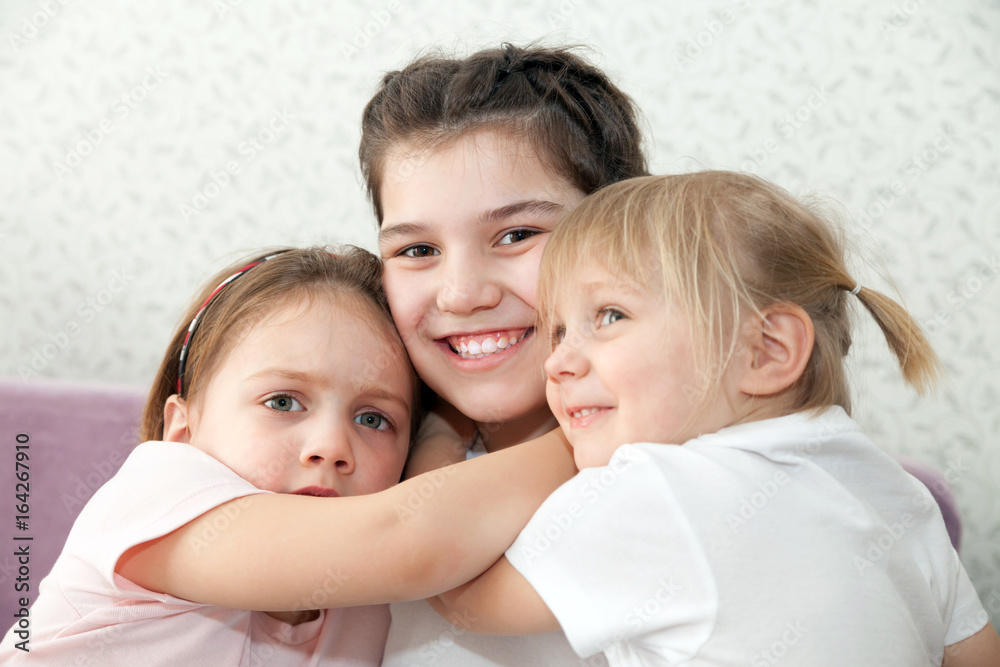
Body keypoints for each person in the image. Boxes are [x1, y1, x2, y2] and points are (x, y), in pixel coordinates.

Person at [428, 172, 1000, 665]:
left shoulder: (654, 488)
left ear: (766, 351)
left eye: (609, 315)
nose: (556, 362)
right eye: (558, 330)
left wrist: (436, 430)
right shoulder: (901, 493)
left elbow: (459, 593)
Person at [0, 246, 577, 665]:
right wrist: (589, 432)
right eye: (282, 401)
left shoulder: (365, 603)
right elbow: (411, 538)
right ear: (181, 427)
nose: (331, 447)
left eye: (374, 419)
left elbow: (427, 524)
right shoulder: (154, 496)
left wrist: (442, 433)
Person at [360, 41, 647, 665]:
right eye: (416, 250)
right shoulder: (351, 461)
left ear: (628, 231)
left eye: (517, 235)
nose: (462, 295)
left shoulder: (687, 476)